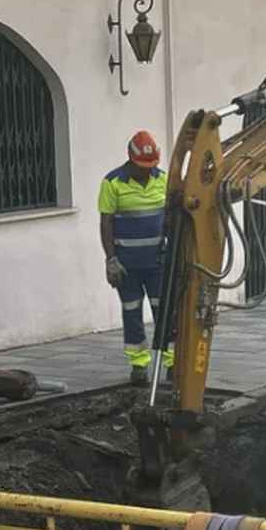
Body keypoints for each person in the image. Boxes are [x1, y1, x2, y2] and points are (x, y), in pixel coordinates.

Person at [100, 129, 175, 384]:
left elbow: (171, 217)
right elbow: (106, 223)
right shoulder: (113, 183)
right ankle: (139, 365)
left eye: (151, 165)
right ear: (130, 159)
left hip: (157, 263)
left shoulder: (163, 180)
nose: (147, 170)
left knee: (164, 312)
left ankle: (172, 363)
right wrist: (111, 259)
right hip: (127, 265)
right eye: (142, 165)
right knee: (132, 313)